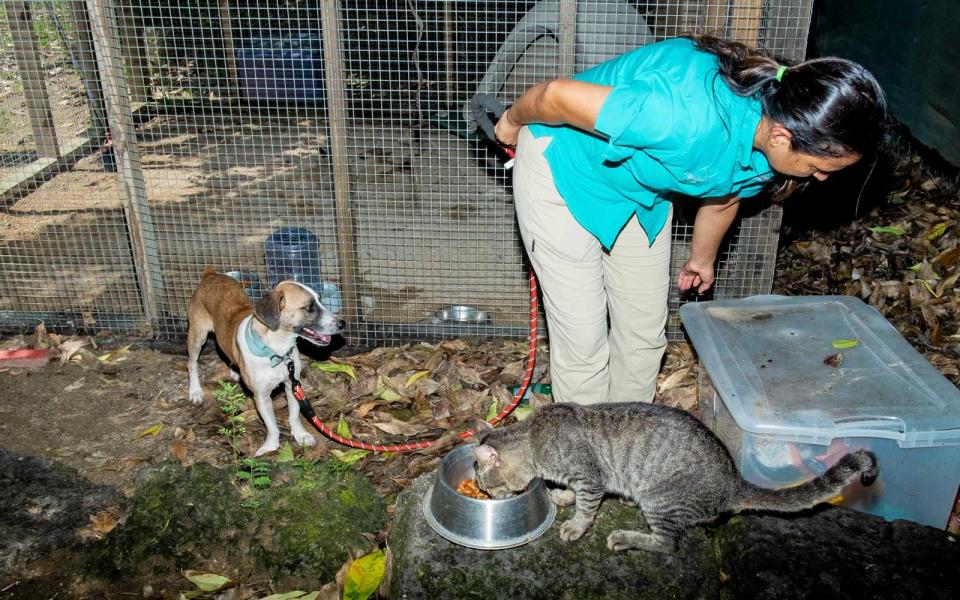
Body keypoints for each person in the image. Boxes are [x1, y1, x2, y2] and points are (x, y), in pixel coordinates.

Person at [495, 36, 887, 405]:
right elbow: (555, 96)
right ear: (783, 137)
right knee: (583, 340)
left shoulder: (771, 140)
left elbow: (724, 196)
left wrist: (702, 259)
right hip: (565, 171)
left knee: (644, 333)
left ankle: (629, 440)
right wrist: (510, 121)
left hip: (640, 188)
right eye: (820, 167)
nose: (821, 178)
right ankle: (584, 462)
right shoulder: (679, 119)